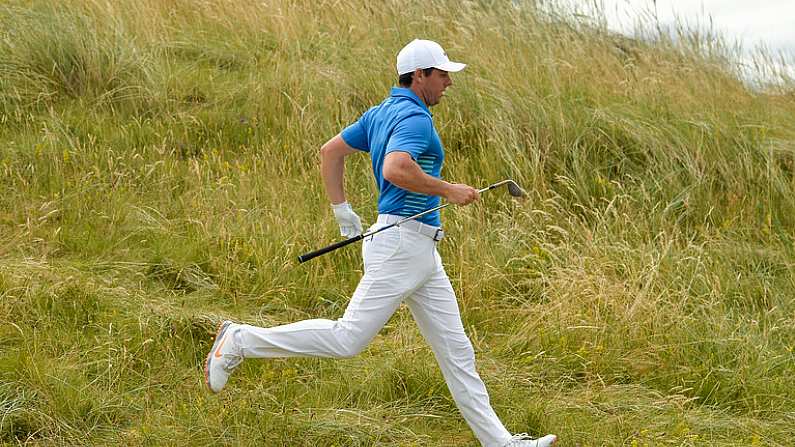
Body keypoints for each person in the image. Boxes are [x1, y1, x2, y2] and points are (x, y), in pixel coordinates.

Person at [204, 39, 557, 447]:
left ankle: (500, 443)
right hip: (401, 246)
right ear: (419, 75)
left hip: (419, 250)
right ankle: (241, 340)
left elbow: (330, 152)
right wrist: (448, 190)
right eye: (441, 74)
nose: (448, 83)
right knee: (346, 339)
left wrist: (342, 210)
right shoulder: (415, 118)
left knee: (457, 352)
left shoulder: (381, 112)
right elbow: (395, 168)